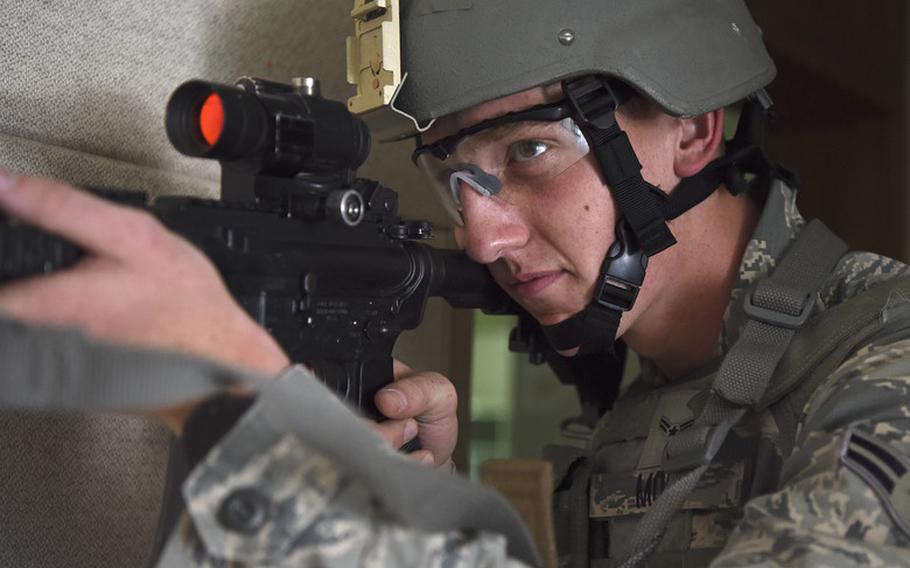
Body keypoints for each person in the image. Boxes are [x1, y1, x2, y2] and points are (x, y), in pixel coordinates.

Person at [2, 1, 910, 567]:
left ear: (695, 131)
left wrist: (257, 426)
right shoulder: (645, 403)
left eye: (531, 151)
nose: (481, 236)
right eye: (453, 172)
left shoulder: (884, 363)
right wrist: (411, 500)